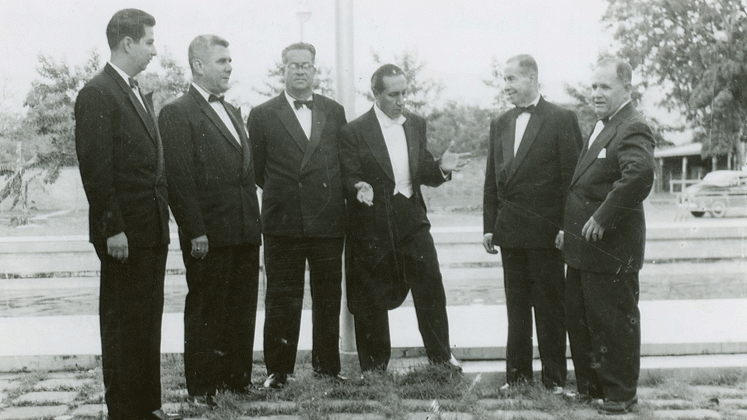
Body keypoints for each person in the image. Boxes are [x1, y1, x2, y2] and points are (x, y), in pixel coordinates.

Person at [74, 9, 180, 420]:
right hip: (124, 234)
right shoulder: (98, 92)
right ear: (128, 43)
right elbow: (96, 170)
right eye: (150, 42)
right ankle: (123, 410)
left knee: (146, 321)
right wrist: (112, 228)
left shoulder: (133, 90)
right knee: (123, 325)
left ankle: (145, 407)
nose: (155, 50)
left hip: (150, 229)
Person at [339, 64, 470, 373]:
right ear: (376, 94)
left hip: (412, 220)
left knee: (430, 285)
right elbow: (348, 173)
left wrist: (442, 168)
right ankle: (374, 367)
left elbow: (422, 169)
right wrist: (357, 187)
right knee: (371, 295)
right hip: (372, 224)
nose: (401, 101)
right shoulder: (354, 131)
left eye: (404, 93)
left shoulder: (415, 124)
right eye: (393, 94)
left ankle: (441, 358)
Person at [158, 35, 262, 406]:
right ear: (199, 66)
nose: (229, 67)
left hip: (246, 231)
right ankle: (202, 388)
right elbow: (180, 179)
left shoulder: (233, 111)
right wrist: (195, 231)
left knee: (241, 307)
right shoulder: (177, 111)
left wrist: (254, 227)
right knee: (207, 310)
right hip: (209, 234)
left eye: (230, 60)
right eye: (221, 61)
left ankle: (236, 381)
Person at [557, 57, 655, 415]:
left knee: (614, 324)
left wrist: (602, 217)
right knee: (583, 321)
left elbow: (639, 174)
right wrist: (565, 230)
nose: (596, 93)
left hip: (611, 248)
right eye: (593, 86)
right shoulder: (604, 124)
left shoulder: (632, 126)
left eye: (605, 87)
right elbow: (586, 182)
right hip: (583, 248)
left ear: (626, 89)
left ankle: (620, 396)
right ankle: (593, 390)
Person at [247, 42, 348, 389]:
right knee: (281, 297)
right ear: (284, 70)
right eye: (294, 65)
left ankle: (328, 368)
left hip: (327, 221)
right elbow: (257, 170)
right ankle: (278, 371)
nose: (301, 71)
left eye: (307, 65)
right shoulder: (262, 114)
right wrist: (288, 195)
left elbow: (342, 161)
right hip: (283, 222)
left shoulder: (333, 111)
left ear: (315, 70)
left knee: (328, 296)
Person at [483, 54, 582, 391]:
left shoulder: (561, 119)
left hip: (546, 235)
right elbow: (491, 179)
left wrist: (567, 228)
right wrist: (488, 225)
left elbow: (573, 180)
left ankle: (554, 380)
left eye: (511, 79)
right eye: (504, 79)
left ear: (531, 78)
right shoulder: (499, 122)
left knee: (551, 309)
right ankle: (517, 379)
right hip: (509, 232)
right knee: (516, 310)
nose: (505, 86)